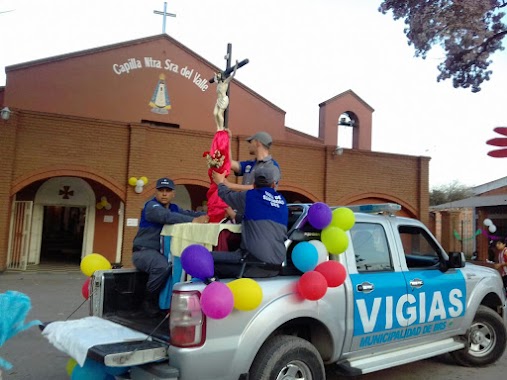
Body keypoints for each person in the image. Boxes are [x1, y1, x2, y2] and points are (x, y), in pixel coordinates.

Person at [132, 177, 209, 316]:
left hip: (160, 253)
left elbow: (188, 213)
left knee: (173, 268)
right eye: (161, 190)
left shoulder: (174, 208)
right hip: (143, 251)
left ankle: (165, 305)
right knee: (162, 266)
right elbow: (166, 217)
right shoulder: (151, 206)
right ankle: (148, 302)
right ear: (156, 192)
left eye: (168, 191)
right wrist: (193, 220)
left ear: (173, 194)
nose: (164, 193)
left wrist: (209, 215)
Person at [211, 166, 288, 278]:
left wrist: (220, 182)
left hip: (252, 264)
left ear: (254, 184)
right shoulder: (282, 202)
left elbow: (226, 195)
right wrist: (235, 216)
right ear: (273, 184)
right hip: (275, 267)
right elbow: (258, 220)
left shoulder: (250, 196)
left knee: (205, 258)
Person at [213, 130, 281, 193]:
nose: (249, 146)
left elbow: (261, 188)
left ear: (257, 143)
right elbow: (229, 163)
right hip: (246, 204)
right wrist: (228, 140)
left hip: (259, 205)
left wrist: (229, 185)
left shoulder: (272, 166)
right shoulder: (250, 164)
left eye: (251, 142)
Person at [213, 61, 238, 131]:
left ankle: (221, 128)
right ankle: (218, 127)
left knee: (219, 114)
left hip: (224, 99)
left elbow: (233, 75)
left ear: (221, 75)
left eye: (219, 74)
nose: (218, 75)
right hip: (218, 100)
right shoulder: (218, 83)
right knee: (215, 113)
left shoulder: (225, 82)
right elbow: (215, 79)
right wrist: (215, 76)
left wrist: (235, 67)